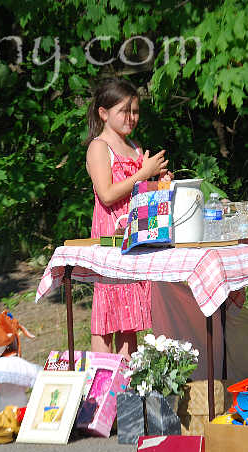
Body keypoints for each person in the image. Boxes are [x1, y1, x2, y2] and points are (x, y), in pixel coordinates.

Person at [84, 78, 172, 355]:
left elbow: (139, 193)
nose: (131, 118)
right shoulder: (99, 147)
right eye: (124, 111)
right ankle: (101, 381)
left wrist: (158, 182)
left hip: (137, 234)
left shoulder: (133, 146)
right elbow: (107, 194)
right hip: (111, 237)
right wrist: (142, 175)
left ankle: (124, 386)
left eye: (135, 111)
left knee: (129, 316)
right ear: (103, 113)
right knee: (108, 312)